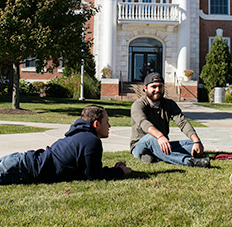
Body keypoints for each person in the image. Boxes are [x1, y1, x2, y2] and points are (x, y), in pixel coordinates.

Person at [0, 105, 131, 185]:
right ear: (96, 124)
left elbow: (88, 172)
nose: (109, 126)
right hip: (21, 169)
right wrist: (119, 171)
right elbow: (94, 177)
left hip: (20, 162)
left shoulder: (79, 135)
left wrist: (112, 169)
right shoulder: (91, 141)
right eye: (107, 122)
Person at [130, 72, 210, 167]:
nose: (157, 90)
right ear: (145, 88)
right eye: (154, 87)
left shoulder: (169, 104)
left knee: (192, 144)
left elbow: (182, 122)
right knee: (151, 138)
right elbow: (144, 123)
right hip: (140, 145)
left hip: (162, 143)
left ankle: (155, 155)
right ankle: (189, 161)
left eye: (160, 86)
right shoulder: (138, 105)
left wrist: (196, 141)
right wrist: (160, 136)